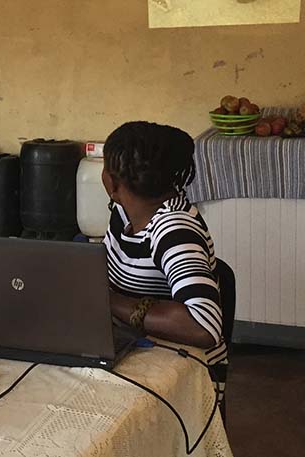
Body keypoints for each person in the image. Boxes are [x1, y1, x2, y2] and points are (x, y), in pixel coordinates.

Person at [101, 121, 228, 412]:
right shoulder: (122, 212)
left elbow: (202, 325)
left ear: (113, 180)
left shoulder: (173, 228)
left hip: (185, 374)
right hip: (134, 350)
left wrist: (109, 302)